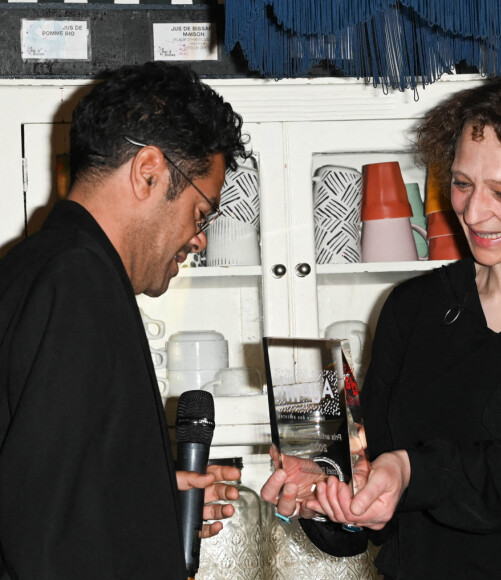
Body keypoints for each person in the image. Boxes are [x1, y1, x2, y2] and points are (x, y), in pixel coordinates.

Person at [261, 69, 501, 579]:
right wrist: (332, 491)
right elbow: (383, 514)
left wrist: (412, 471)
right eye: (461, 183)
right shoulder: (414, 308)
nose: (474, 213)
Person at [0, 62, 249, 579]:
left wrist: (149, 503)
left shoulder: (32, 268)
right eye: (202, 213)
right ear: (149, 172)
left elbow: (48, 488)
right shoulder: (79, 281)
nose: (199, 238)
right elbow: (48, 541)